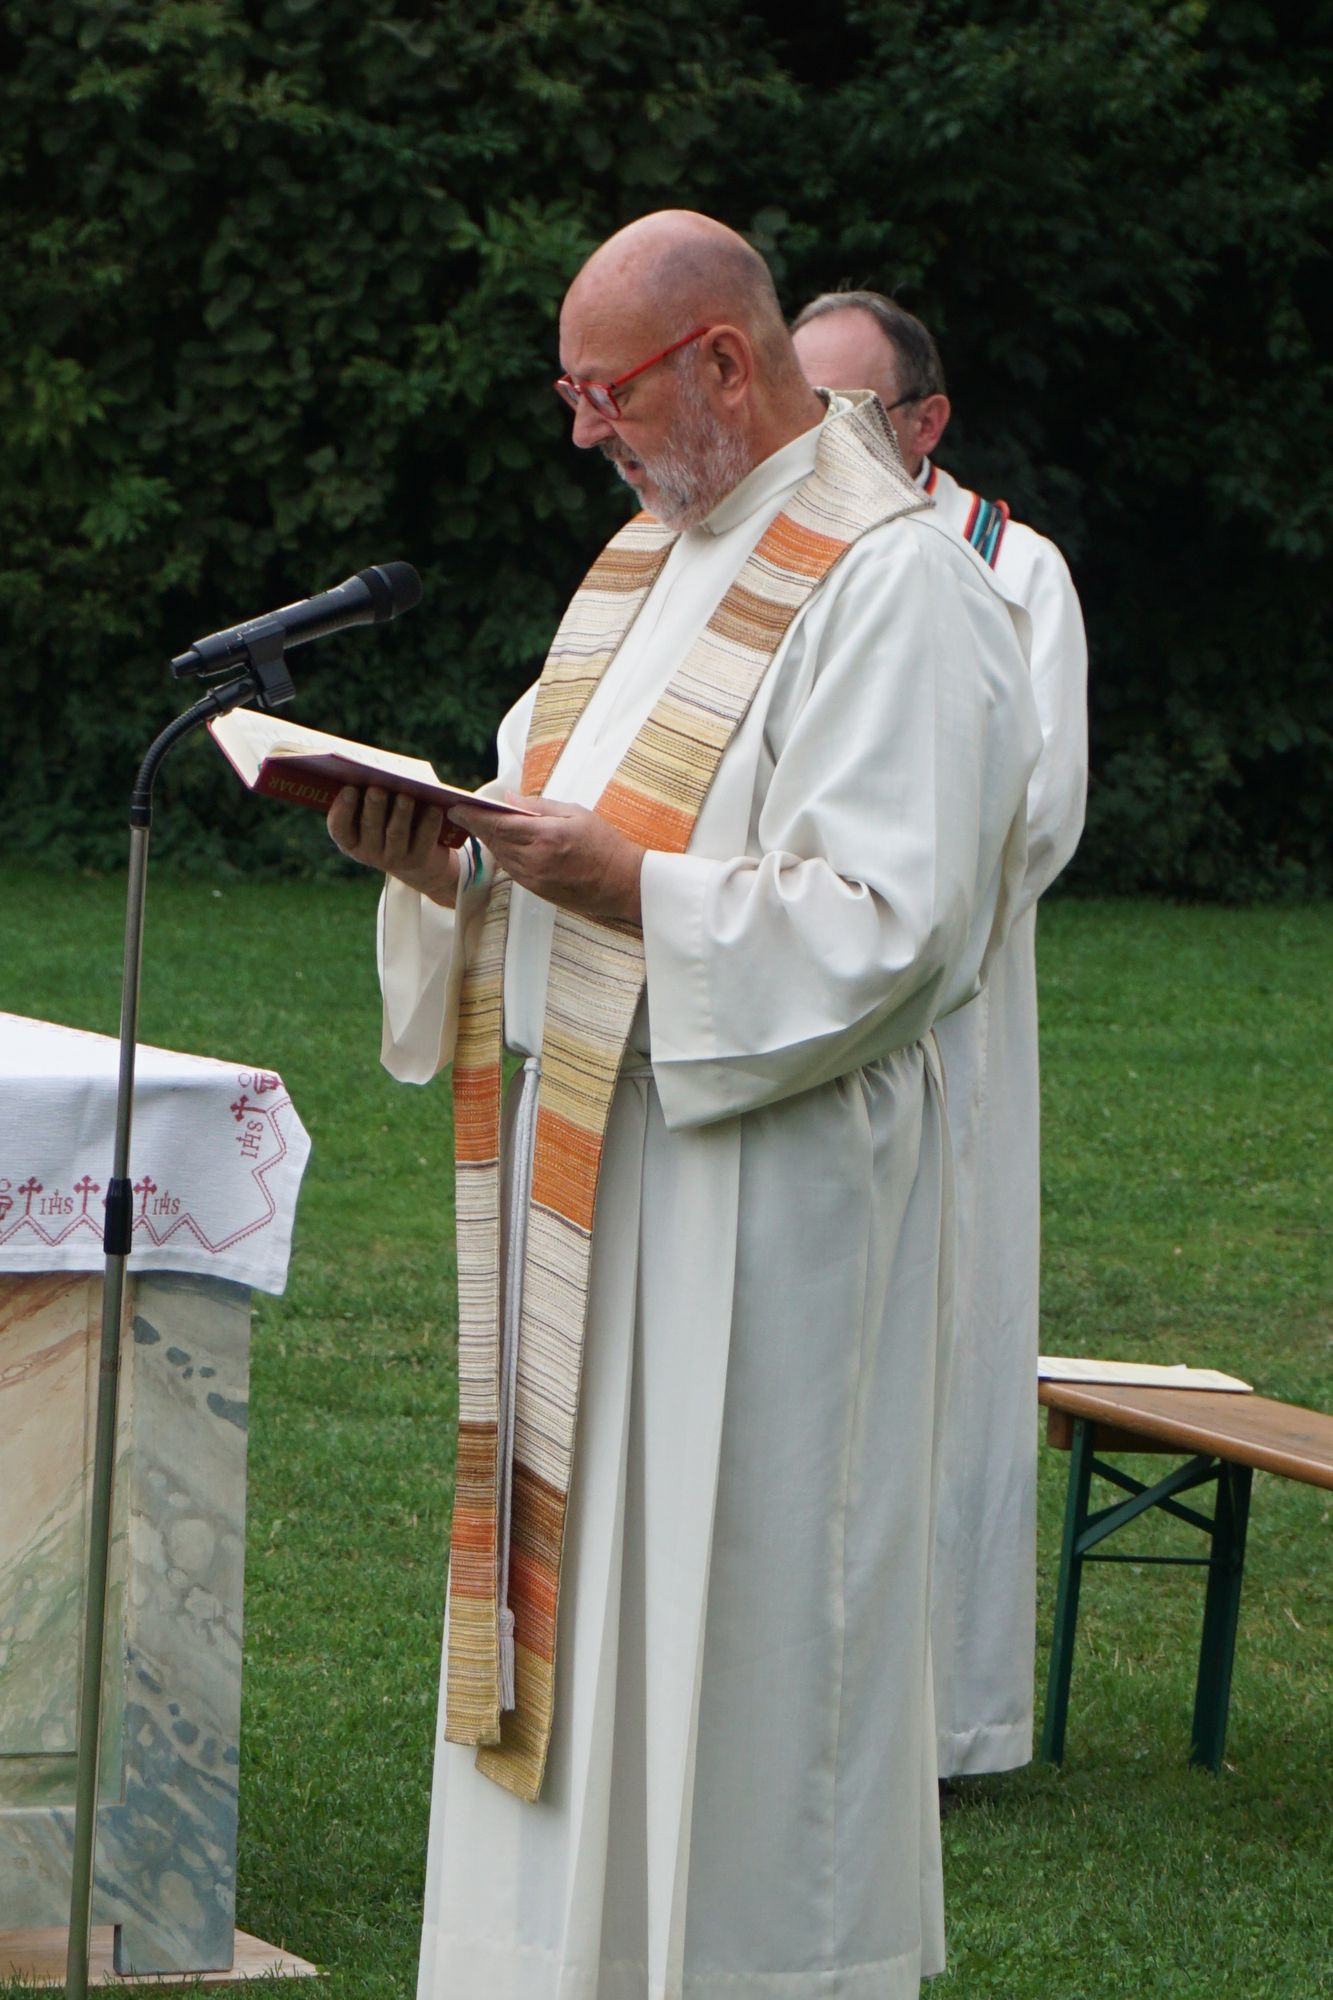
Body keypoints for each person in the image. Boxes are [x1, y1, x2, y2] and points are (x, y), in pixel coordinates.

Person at [330, 214, 1041, 2000]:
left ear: (723, 361)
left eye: (604, 393)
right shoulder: (641, 565)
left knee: (733, 1647)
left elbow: (902, 920)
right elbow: (538, 807)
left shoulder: (893, 580)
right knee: (579, 1643)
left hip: (759, 1205)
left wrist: (629, 887)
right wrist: (438, 855)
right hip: (595, 1177)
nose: (584, 433)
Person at [792, 290, 1089, 1783]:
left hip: (941, 1016)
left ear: (924, 423)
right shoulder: (776, 558)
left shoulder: (1009, 570)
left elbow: (1026, 817)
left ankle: (943, 1716)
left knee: (948, 1332)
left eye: (847, 412)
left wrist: (863, 917)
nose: (818, 439)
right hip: (780, 997)